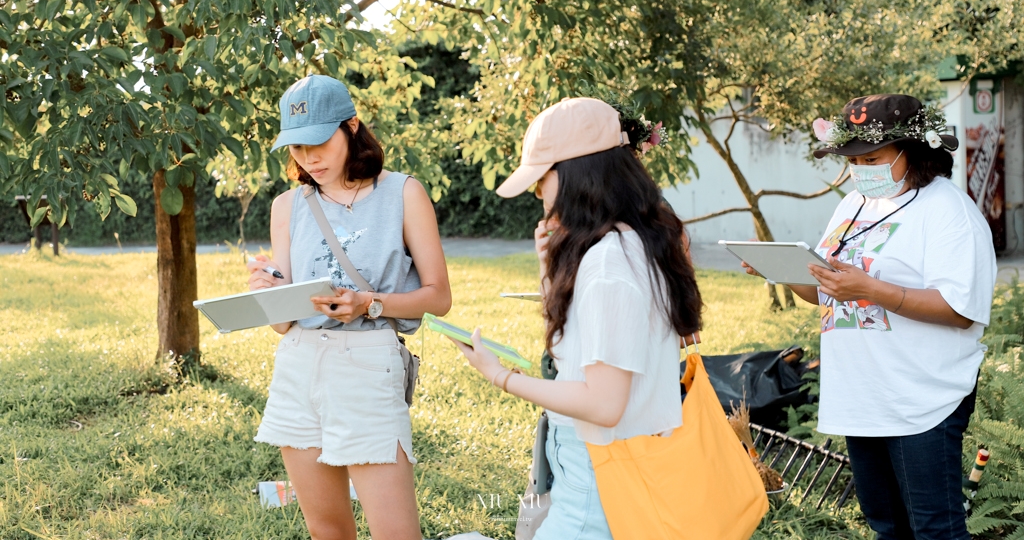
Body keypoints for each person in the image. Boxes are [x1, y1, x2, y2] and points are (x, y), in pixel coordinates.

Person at [745, 94, 996, 540]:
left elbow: (961, 310)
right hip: (861, 396)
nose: (860, 170)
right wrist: (780, 271)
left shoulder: (948, 211)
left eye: (872, 158)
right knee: (886, 527)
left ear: (912, 151)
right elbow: (825, 291)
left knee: (935, 530)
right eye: (852, 160)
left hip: (921, 401)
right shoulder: (853, 205)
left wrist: (872, 290)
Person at [451, 98, 703, 540]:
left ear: (573, 176)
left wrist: (499, 376)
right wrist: (549, 265)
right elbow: (573, 349)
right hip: (619, 472)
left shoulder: (608, 264)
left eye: (541, 180)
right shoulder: (641, 243)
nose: (538, 195)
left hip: (598, 482)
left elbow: (604, 405)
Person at [246, 75, 452, 540]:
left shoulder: (402, 192)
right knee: (327, 531)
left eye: (318, 142)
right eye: (296, 148)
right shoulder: (287, 206)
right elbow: (282, 323)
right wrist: (269, 288)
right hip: (298, 367)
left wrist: (368, 304)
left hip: (367, 365)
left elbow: (439, 296)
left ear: (351, 126)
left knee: (397, 534)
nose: (308, 158)